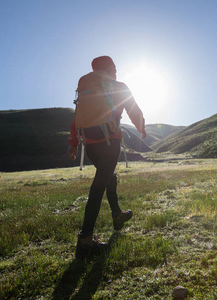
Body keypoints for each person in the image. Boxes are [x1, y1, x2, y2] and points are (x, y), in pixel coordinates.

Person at [68, 56, 146, 258]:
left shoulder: (85, 87)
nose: (116, 70)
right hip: (109, 141)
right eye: (114, 67)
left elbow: (76, 117)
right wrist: (142, 128)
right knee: (98, 186)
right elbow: (133, 109)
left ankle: (117, 214)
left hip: (90, 143)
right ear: (108, 68)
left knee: (109, 176)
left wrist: (74, 143)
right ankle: (85, 238)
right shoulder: (118, 86)